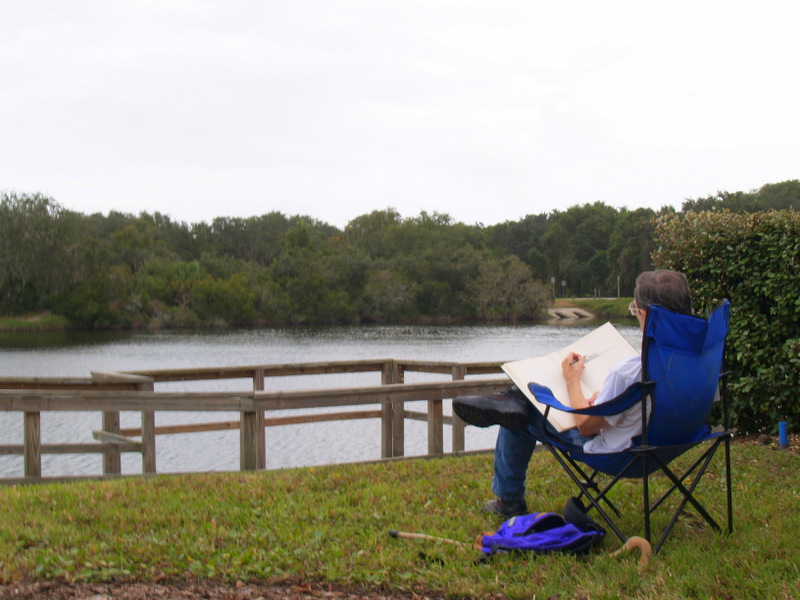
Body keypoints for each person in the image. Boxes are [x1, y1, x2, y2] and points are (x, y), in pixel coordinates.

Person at [453, 270, 693, 517]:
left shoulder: (630, 372)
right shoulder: (697, 361)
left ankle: (508, 500)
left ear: (643, 314)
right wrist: (608, 399)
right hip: (672, 443)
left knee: (518, 414)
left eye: (635, 310)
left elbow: (586, 426)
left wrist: (572, 380)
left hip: (622, 454)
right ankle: (511, 396)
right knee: (517, 405)